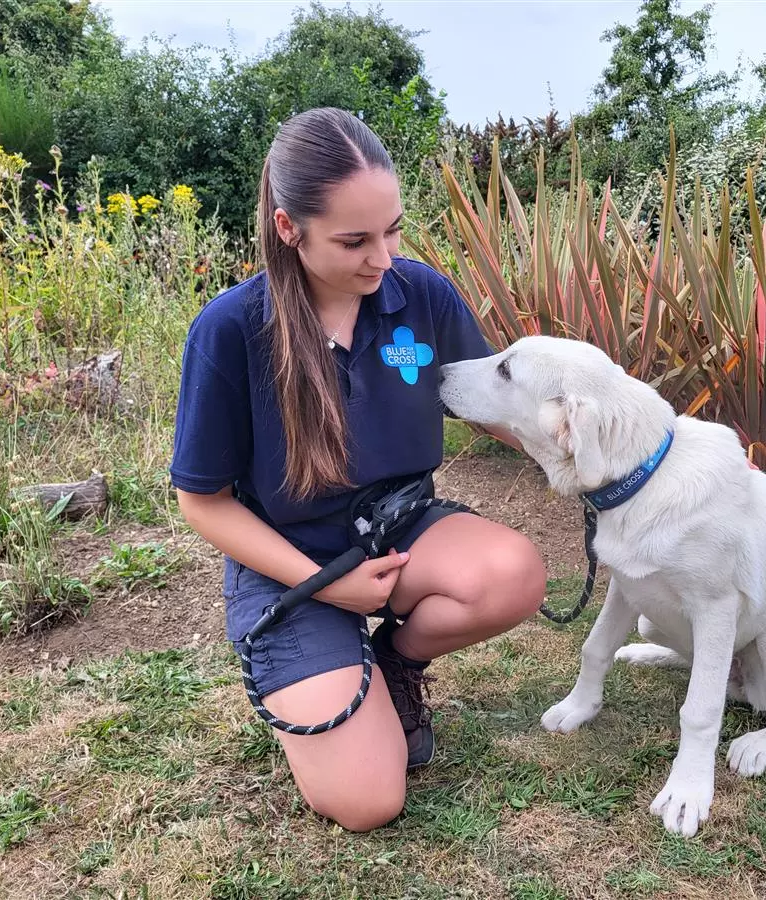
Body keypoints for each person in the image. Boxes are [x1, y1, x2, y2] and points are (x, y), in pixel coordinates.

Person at [169, 107, 547, 832]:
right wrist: (325, 586)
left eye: (393, 229)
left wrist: (598, 451)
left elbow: (493, 404)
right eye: (354, 240)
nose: (382, 257)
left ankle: (394, 662)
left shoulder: (421, 295)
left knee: (514, 574)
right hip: (293, 565)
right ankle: (320, 665)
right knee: (371, 802)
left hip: (400, 529)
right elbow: (203, 503)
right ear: (289, 229)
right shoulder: (230, 330)